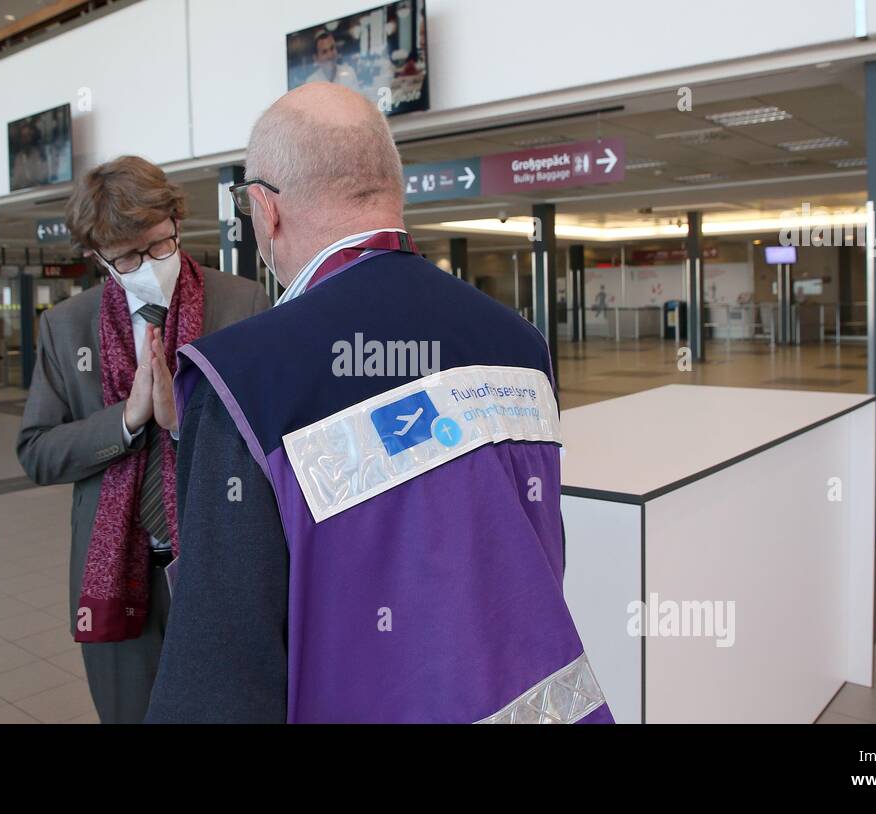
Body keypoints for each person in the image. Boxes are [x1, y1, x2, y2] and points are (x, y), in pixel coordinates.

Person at [144, 84, 615, 724]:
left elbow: (220, 672)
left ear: (265, 208)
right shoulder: (519, 343)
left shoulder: (246, 380)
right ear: (391, 188)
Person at [16, 155, 267, 723]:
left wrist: (182, 422)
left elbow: (270, 444)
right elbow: (37, 452)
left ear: (177, 223)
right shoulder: (66, 327)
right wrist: (126, 421)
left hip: (214, 561)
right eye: (127, 257)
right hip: (116, 576)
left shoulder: (241, 304)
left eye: (159, 245)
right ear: (97, 257)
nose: (150, 265)